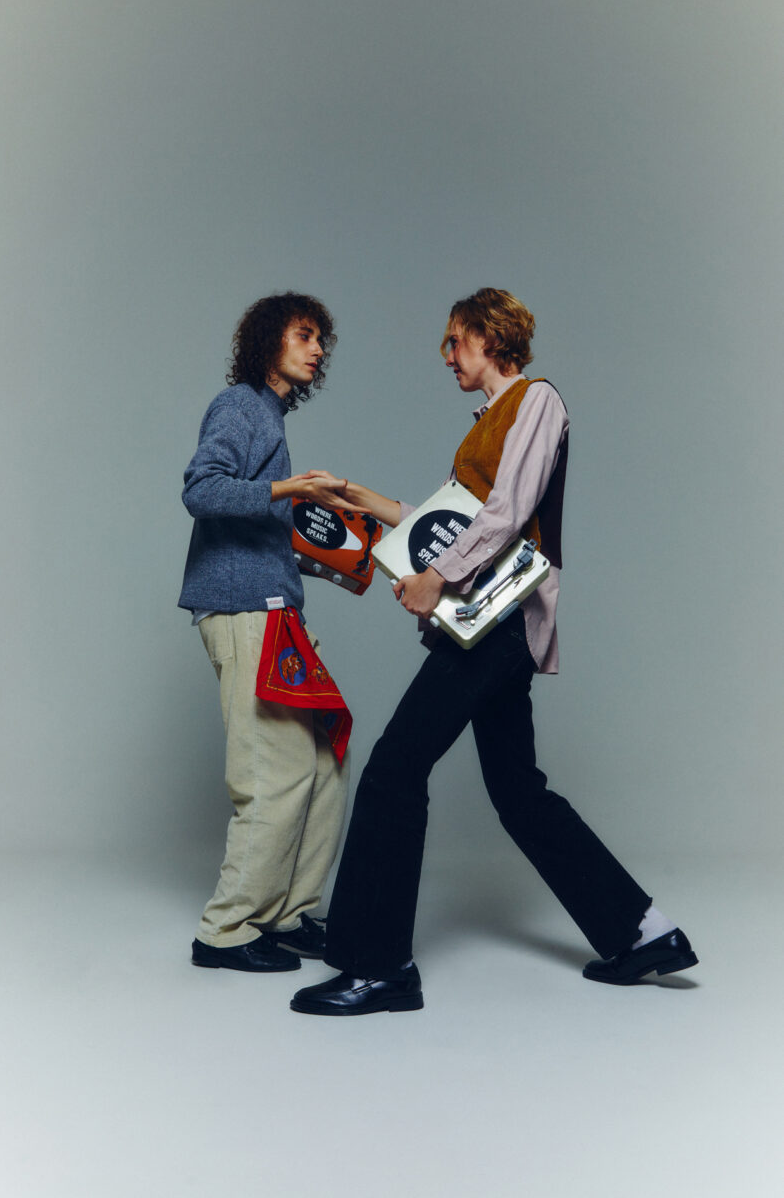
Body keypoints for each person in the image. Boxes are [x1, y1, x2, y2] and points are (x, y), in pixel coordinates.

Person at [291, 287, 698, 1015]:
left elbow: (505, 516)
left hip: (497, 622)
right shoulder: (485, 426)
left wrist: (433, 579)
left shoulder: (536, 401)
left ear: (490, 335)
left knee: (393, 767)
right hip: (484, 623)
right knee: (517, 792)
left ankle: (378, 965)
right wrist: (351, 493)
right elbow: (445, 521)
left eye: (456, 341)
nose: (448, 356)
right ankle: (643, 933)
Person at [179, 292, 352, 974]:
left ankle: (287, 912)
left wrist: (333, 559)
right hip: (242, 608)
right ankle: (225, 931)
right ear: (268, 342)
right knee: (273, 773)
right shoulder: (240, 407)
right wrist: (288, 491)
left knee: (326, 761)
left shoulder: (269, 417)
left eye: (320, 341)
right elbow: (202, 489)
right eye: (305, 336)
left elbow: (256, 521)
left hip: (275, 606)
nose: (316, 350)